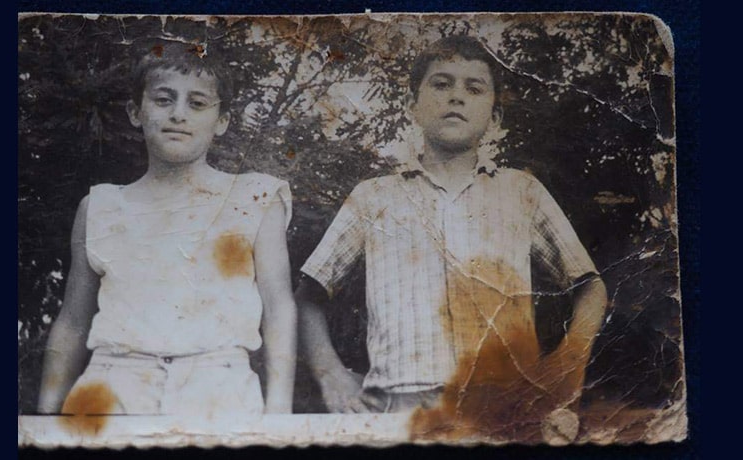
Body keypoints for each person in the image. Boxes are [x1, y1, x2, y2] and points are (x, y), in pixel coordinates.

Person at [296, 35, 607, 439]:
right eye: (441, 84)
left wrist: (565, 374)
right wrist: (330, 373)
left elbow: (590, 286)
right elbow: (308, 294)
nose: (456, 96)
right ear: (413, 106)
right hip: (399, 410)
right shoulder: (373, 197)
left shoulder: (522, 192)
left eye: (474, 88)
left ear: (494, 117)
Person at [37, 42, 297, 417]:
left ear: (222, 121)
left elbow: (279, 307)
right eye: (163, 100)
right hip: (112, 391)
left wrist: (279, 410)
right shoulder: (101, 206)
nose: (178, 114)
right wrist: (46, 416)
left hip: (220, 392)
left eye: (197, 103)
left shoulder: (255, 197)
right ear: (135, 112)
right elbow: (73, 322)